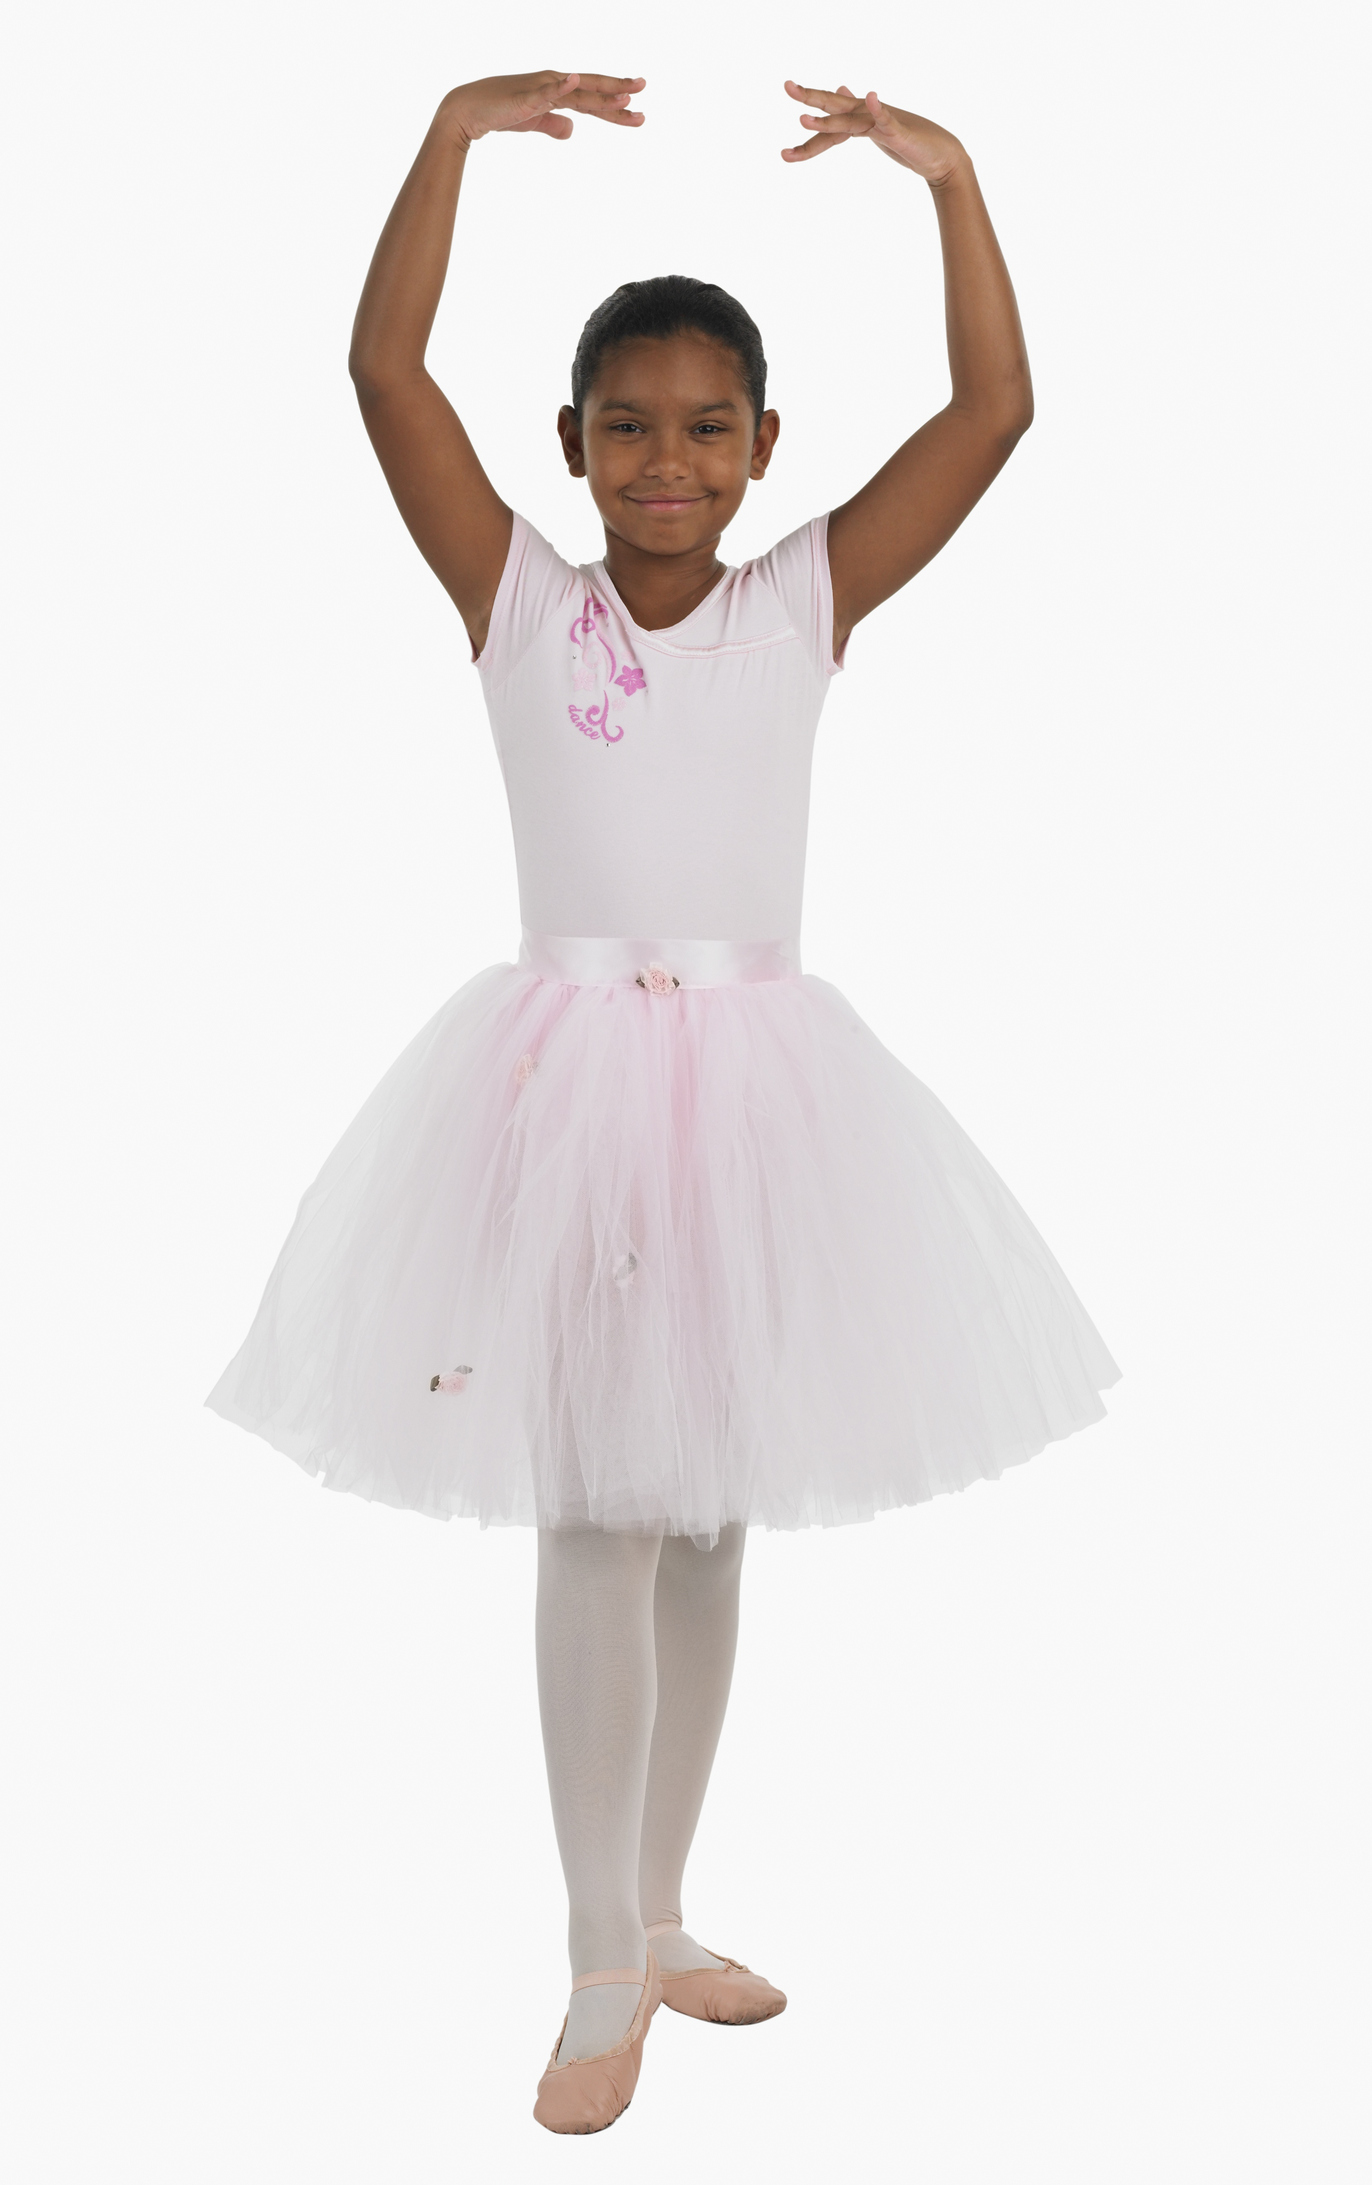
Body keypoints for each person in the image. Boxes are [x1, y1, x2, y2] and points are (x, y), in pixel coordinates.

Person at [207, 70, 1119, 2134]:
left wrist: (951, 185)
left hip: (761, 1096)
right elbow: (380, 366)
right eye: (626, 424)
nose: (668, 461)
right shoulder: (520, 602)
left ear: (764, 450)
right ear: (570, 446)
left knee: (705, 1511)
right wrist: (446, 134)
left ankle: (667, 1898)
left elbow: (990, 418)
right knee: (597, 1514)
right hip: (563, 1093)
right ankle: (593, 1953)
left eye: (710, 427)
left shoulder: (804, 598)